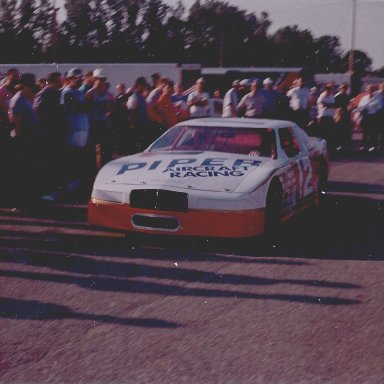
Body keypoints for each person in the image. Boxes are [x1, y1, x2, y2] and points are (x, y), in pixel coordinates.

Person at [8, 73, 40, 209]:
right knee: (21, 173)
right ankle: (19, 203)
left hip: (28, 139)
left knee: (28, 171)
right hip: (22, 141)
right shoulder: (18, 99)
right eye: (29, 87)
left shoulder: (25, 98)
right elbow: (15, 122)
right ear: (24, 86)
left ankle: (27, 201)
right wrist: (22, 140)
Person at [33, 72, 65, 200]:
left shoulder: (56, 93)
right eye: (59, 80)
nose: (61, 82)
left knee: (54, 162)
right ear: (52, 81)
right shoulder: (45, 93)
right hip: (47, 133)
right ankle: (46, 191)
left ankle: (52, 190)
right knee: (47, 162)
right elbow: (37, 110)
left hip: (54, 133)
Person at [61, 67, 90, 196]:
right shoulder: (67, 92)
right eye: (76, 78)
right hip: (73, 128)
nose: (79, 80)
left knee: (79, 157)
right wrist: (85, 105)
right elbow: (78, 107)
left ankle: (76, 184)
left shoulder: (78, 92)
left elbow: (84, 107)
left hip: (82, 127)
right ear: (70, 79)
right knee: (73, 157)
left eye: (80, 78)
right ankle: (70, 186)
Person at [85, 68, 114, 168]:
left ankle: (104, 168)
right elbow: (87, 110)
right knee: (92, 150)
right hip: (93, 124)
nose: (101, 81)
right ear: (94, 79)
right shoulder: (90, 93)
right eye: (99, 79)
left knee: (106, 149)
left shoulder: (105, 93)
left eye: (103, 79)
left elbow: (109, 107)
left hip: (103, 123)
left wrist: (108, 112)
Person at [127, 76, 149, 152]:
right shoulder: (133, 98)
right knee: (137, 147)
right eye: (142, 85)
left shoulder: (142, 97)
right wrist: (132, 125)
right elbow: (131, 113)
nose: (144, 87)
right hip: (137, 126)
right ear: (138, 86)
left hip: (143, 124)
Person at [357, 84, 381, 152]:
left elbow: (379, 108)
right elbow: (359, 107)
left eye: (372, 89)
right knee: (365, 132)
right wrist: (362, 110)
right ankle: (364, 145)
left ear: (374, 90)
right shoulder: (364, 98)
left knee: (373, 132)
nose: (370, 90)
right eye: (369, 89)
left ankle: (373, 146)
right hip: (365, 117)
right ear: (366, 90)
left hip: (373, 117)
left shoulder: (378, 98)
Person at [112, 83, 129, 155]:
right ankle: (120, 151)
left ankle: (124, 149)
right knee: (120, 136)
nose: (121, 89)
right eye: (120, 88)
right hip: (119, 119)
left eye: (122, 87)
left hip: (125, 119)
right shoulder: (117, 98)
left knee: (124, 135)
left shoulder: (127, 97)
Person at [317, 83, 336, 151]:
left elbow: (334, 104)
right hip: (323, 117)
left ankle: (328, 149)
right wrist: (329, 105)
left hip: (330, 116)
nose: (331, 90)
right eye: (330, 89)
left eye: (332, 89)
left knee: (329, 134)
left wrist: (328, 105)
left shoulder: (331, 96)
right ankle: (321, 149)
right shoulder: (322, 95)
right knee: (322, 134)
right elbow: (322, 104)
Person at [334, 83, 352, 151]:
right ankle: (339, 145)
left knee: (346, 131)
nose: (343, 89)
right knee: (339, 131)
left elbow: (349, 105)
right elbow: (335, 106)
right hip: (338, 115)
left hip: (345, 115)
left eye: (345, 88)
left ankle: (345, 145)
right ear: (340, 88)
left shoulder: (347, 96)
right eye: (342, 88)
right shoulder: (337, 96)